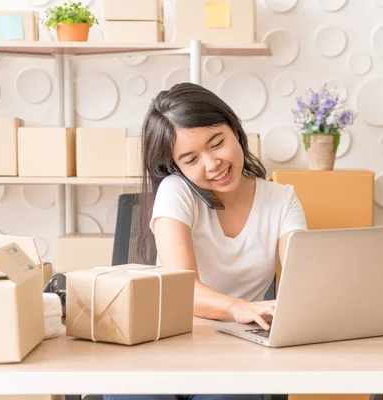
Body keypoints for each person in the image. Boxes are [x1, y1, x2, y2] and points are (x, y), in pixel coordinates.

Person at [102, 83, 307, 400]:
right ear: (176, 167)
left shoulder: (282, 199)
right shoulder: (176, 191)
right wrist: (237, 307)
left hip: (238, 352)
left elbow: (304, 281)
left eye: (217, 143)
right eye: (191, 158)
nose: (212, 164)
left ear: (235, 131)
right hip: (168, 346)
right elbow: (181, 287)